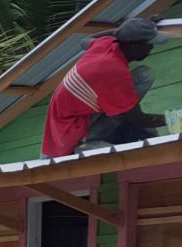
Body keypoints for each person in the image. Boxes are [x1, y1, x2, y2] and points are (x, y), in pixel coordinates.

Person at [42, 17, 166, 157]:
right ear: (134, 46)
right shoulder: (114, 71)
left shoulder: (106, 43)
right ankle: (88, 143)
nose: (152, 47)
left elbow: (85, 40)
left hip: (75, 113)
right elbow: (139, 119)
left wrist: (127, 30)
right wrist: (171, 118)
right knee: (124, 149)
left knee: (143, 74)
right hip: (70, 131)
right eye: (149, 44)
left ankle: (107, 128)